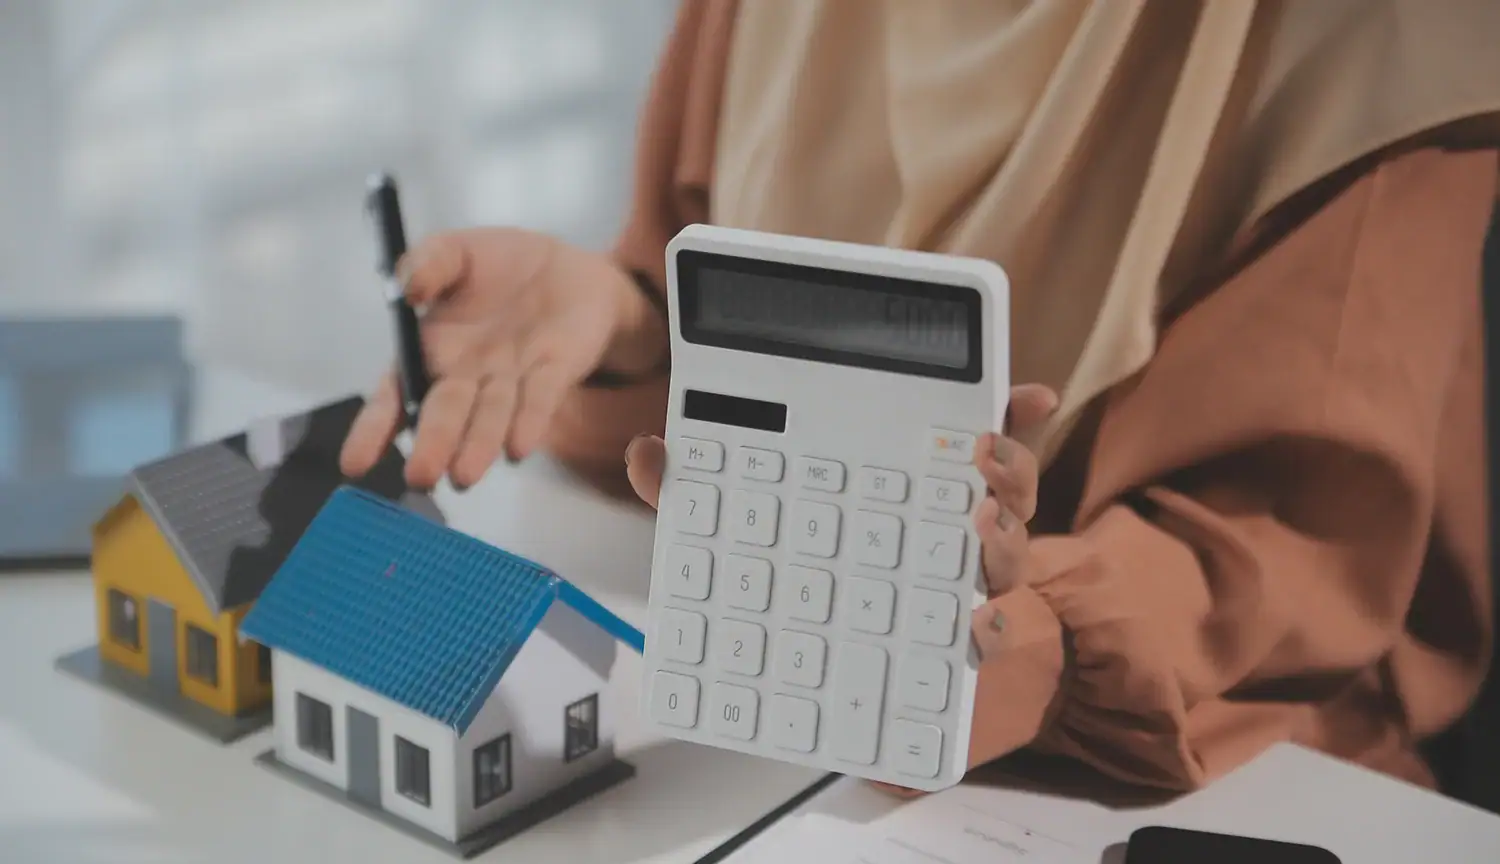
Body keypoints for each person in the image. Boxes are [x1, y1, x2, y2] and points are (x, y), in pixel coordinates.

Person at [341, 0, 1500, 795]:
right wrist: (630, 320)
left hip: (1172, 783)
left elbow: (1290, 555)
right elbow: (726, 417)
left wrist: (1023, 637)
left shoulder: (1380, 34)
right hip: (780, 731)